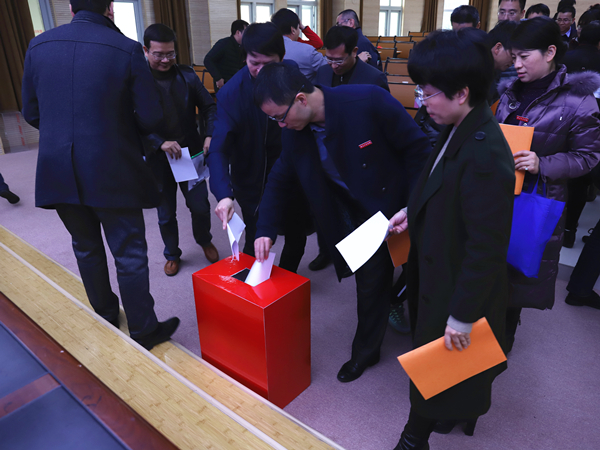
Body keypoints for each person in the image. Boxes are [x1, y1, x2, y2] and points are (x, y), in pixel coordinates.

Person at [252, 63, 431, 383]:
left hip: (402, 203)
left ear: (301, 99)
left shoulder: (368, 101)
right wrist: (265, 230)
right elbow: (279, 180)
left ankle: (426, 347)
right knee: (370, 283)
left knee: (420, 275)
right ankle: (366, 352)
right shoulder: (294, 134)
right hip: (360, 216)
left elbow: (419, 152)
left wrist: (412, 205)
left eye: (280, 117)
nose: (280, 125)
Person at [21, 0, 179, 350]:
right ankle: (143, 329)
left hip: (57, 167)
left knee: (85, 246)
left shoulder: (38, 45)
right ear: (110, 7)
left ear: (69, 6)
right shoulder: (125, 48)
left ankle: (106, 314)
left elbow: (31, 111)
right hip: (112, 166)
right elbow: (151, 117)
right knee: (129, 252)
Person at [389, 30, 515, 450]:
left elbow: (486, 248)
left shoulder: (484, 153)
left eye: (427, 93)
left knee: (439, 366)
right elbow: (438, 182)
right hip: (438, 267)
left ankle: (412, 440)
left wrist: (462, 316)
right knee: (435, 365)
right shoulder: (457, 124)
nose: (422, 101)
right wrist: (412, 211)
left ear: (461, 93)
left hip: (456, 283)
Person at [495, 16, 600, 351]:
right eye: (514, 57)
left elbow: (588, 156)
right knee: (488, 263)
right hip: (498, 192)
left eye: (525, 56)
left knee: (518, 269)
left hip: (537, 196)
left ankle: (503, 337)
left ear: (551, 52)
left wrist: (543, 163)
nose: (517, 64)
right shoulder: (510, 90)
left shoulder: (578, 100)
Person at [207, 23, 309, 273]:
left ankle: (287, 279)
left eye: (269, 63)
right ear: (245, 57)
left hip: (292, 172)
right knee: (256, 236)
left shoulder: (292, 75)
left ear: (282, 58)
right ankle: (257, 284)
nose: (261, 70)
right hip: (252, 177)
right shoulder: (231, 93)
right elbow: (219, 148)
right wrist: (223, 194)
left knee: (296, 233)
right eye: (255, 63)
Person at [142, 24, 219, 276]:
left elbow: (209, 107)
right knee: (166, 213)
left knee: (199, 207)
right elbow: (127, 121)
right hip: (158, 157)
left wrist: (209, 134)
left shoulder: (187, 76)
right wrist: (158, 142)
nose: (166, 60)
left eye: (170, 54)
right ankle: (172, 254)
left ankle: (204, 240)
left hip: (187, 155)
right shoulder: (137, 81)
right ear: (146, 50)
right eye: (159, 54)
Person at [561, 20, 600, 247]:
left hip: (561, 123)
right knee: (580, 181)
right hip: (592, 127)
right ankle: (569, 230)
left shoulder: (566, 58)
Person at [314, 26, 388, 91]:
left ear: (354, 52)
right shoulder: (322, 72)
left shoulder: (374, 78)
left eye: (339, 60)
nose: (334, 66)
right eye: (329, 59)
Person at [271, 8, 327, 82]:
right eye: (298, 28)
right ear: (293, 30)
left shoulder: (265, 47)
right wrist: (303, 27)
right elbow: (328, 69)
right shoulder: (307, 50)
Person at [203, 19, 248, 91]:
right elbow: (208, 60)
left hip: (239, 84)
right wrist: (218, 78)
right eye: (246, 32)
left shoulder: (244, 46)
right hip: (224, 84)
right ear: (238, 32)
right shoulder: (223, 44)